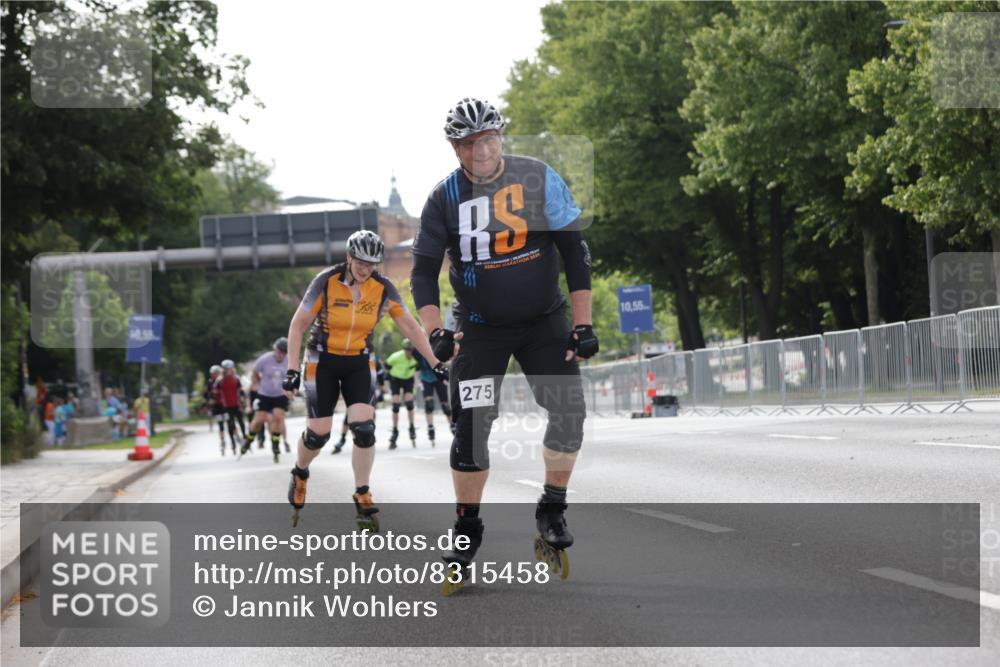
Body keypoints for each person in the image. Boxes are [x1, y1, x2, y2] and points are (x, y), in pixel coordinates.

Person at [411, 97, 599, 586]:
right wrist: (434, 332)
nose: (481, 150)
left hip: (544, 321)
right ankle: (466, 527)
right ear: (455, 148)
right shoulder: (442, 199)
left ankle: (552, 508)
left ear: (502, 137)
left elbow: (574, 251)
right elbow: (423, 274)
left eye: (488, 138)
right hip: (478, 328)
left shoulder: (537, 177)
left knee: (569, 411)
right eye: (469, 143)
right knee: (471, 429)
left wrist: (582, 326)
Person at [281, 230, 447, 528]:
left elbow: (410, 327)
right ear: (349, 257)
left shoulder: (383, 288)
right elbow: (298, 326)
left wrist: (435, 363)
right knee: (319, 435)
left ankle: (362, 492)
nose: (365, 268)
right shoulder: (326, 281)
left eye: (371, 264)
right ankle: (300, 470)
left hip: (359, 359)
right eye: (360, 262)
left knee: (365, 429)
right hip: (323, 358)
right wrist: (292, 369)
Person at [242, 337, 291, 463]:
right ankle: (249, 439)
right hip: (264, 394)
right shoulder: (265, 359)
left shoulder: (288, 361)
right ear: (275, 349)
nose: (281, 355)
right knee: (259, 420)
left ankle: (275, 444)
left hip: (280, 394)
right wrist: (257, 383)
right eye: (279, 351)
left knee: (278, 417)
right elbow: (254, 371)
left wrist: (292, 390)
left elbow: (292, 376)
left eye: (284, 352)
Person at [332, 351, 386, 455]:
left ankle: (369, 434)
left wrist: (382, 391)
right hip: (354, 389)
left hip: (370, 390)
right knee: (349, 415)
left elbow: (380, 376)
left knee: (370, 414)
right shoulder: (352, 355)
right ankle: (342, 438)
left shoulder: (375, 360)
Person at [383, 340, 419, 448]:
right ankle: (395, 429)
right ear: (404, 349)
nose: (409, 352)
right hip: (396, 379)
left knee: (409, 403)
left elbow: (420, 367)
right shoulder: (396, 356)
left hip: (408, 379)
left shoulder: (416, 357)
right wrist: (387, 378)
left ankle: (412, 426)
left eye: (411, 350)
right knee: (395, 406)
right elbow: (386, 365)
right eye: (407, 350)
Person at [413, 347, 451, 446]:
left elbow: (446, 362)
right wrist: (417, 381)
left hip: (438, 378)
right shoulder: (418, 350)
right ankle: (430, 426)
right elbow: (415, 366)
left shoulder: (436, 347)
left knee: (446, 407)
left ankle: (452, 425)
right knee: (429, 405)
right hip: (426, 379)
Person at [217, 359, 247, 453]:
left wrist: (243, 401)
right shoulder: (220, 380)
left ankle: (245, 440)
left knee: (241, 423)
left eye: (230, 368)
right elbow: (215, 392)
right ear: (224, 369)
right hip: (226, 406)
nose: (228, 370)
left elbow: (241, 391)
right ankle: (233, 443)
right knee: (230, 425)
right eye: (226, 368)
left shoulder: (236, 378)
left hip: (237, 404)